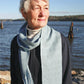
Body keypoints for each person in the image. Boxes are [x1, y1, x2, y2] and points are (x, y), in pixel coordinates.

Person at [10, 0, 72, 84]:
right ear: (24, 13)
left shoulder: (60, 41)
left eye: (46, 8)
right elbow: (15, 78)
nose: (43, 14)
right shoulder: (16, 43)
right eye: (37, 8)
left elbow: (66, 78)